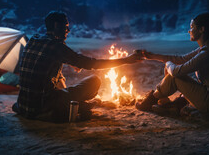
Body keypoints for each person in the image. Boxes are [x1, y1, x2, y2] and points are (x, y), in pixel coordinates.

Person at [13, 11, 142, 122]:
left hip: (23, 105)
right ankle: (72, 107)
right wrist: (127, 60)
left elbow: (46, 60)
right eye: (66, 26)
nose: (68, 30)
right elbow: (92, 63)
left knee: (59, 76)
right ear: (57, 26)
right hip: (43, 104)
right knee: (94, 81)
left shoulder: (33, 40)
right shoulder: (56, 46)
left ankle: (70, 104)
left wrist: (70, 61)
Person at [136, 13, 209, 122]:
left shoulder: (208, 52)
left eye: (192, 27)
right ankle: (169, 104)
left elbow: (176, 71)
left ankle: (149, 102)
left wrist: (168, 64)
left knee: (174, 77)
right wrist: (151, 56)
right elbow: (180, 59)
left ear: (202, 29)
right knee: (173, 70)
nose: (189, 30)